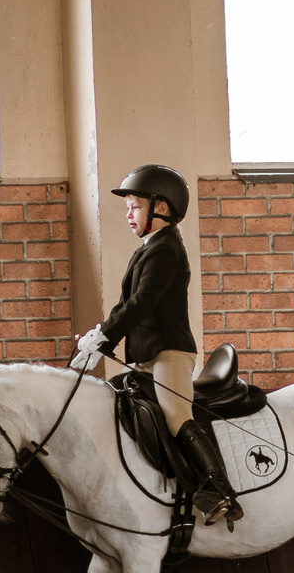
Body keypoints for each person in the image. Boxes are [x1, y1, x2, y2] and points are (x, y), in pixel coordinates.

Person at [74, 164, 243, 526]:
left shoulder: (166, 250)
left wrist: (105, 334)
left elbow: (142, 303)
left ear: (160, 208)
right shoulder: (149, 248)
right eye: (127, 209)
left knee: (176, 415)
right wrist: (100, 336)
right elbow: (126, 305)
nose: (129, 215)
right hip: (147, 355)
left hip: (169, 353)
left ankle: (218, 491)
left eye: (134, 207)